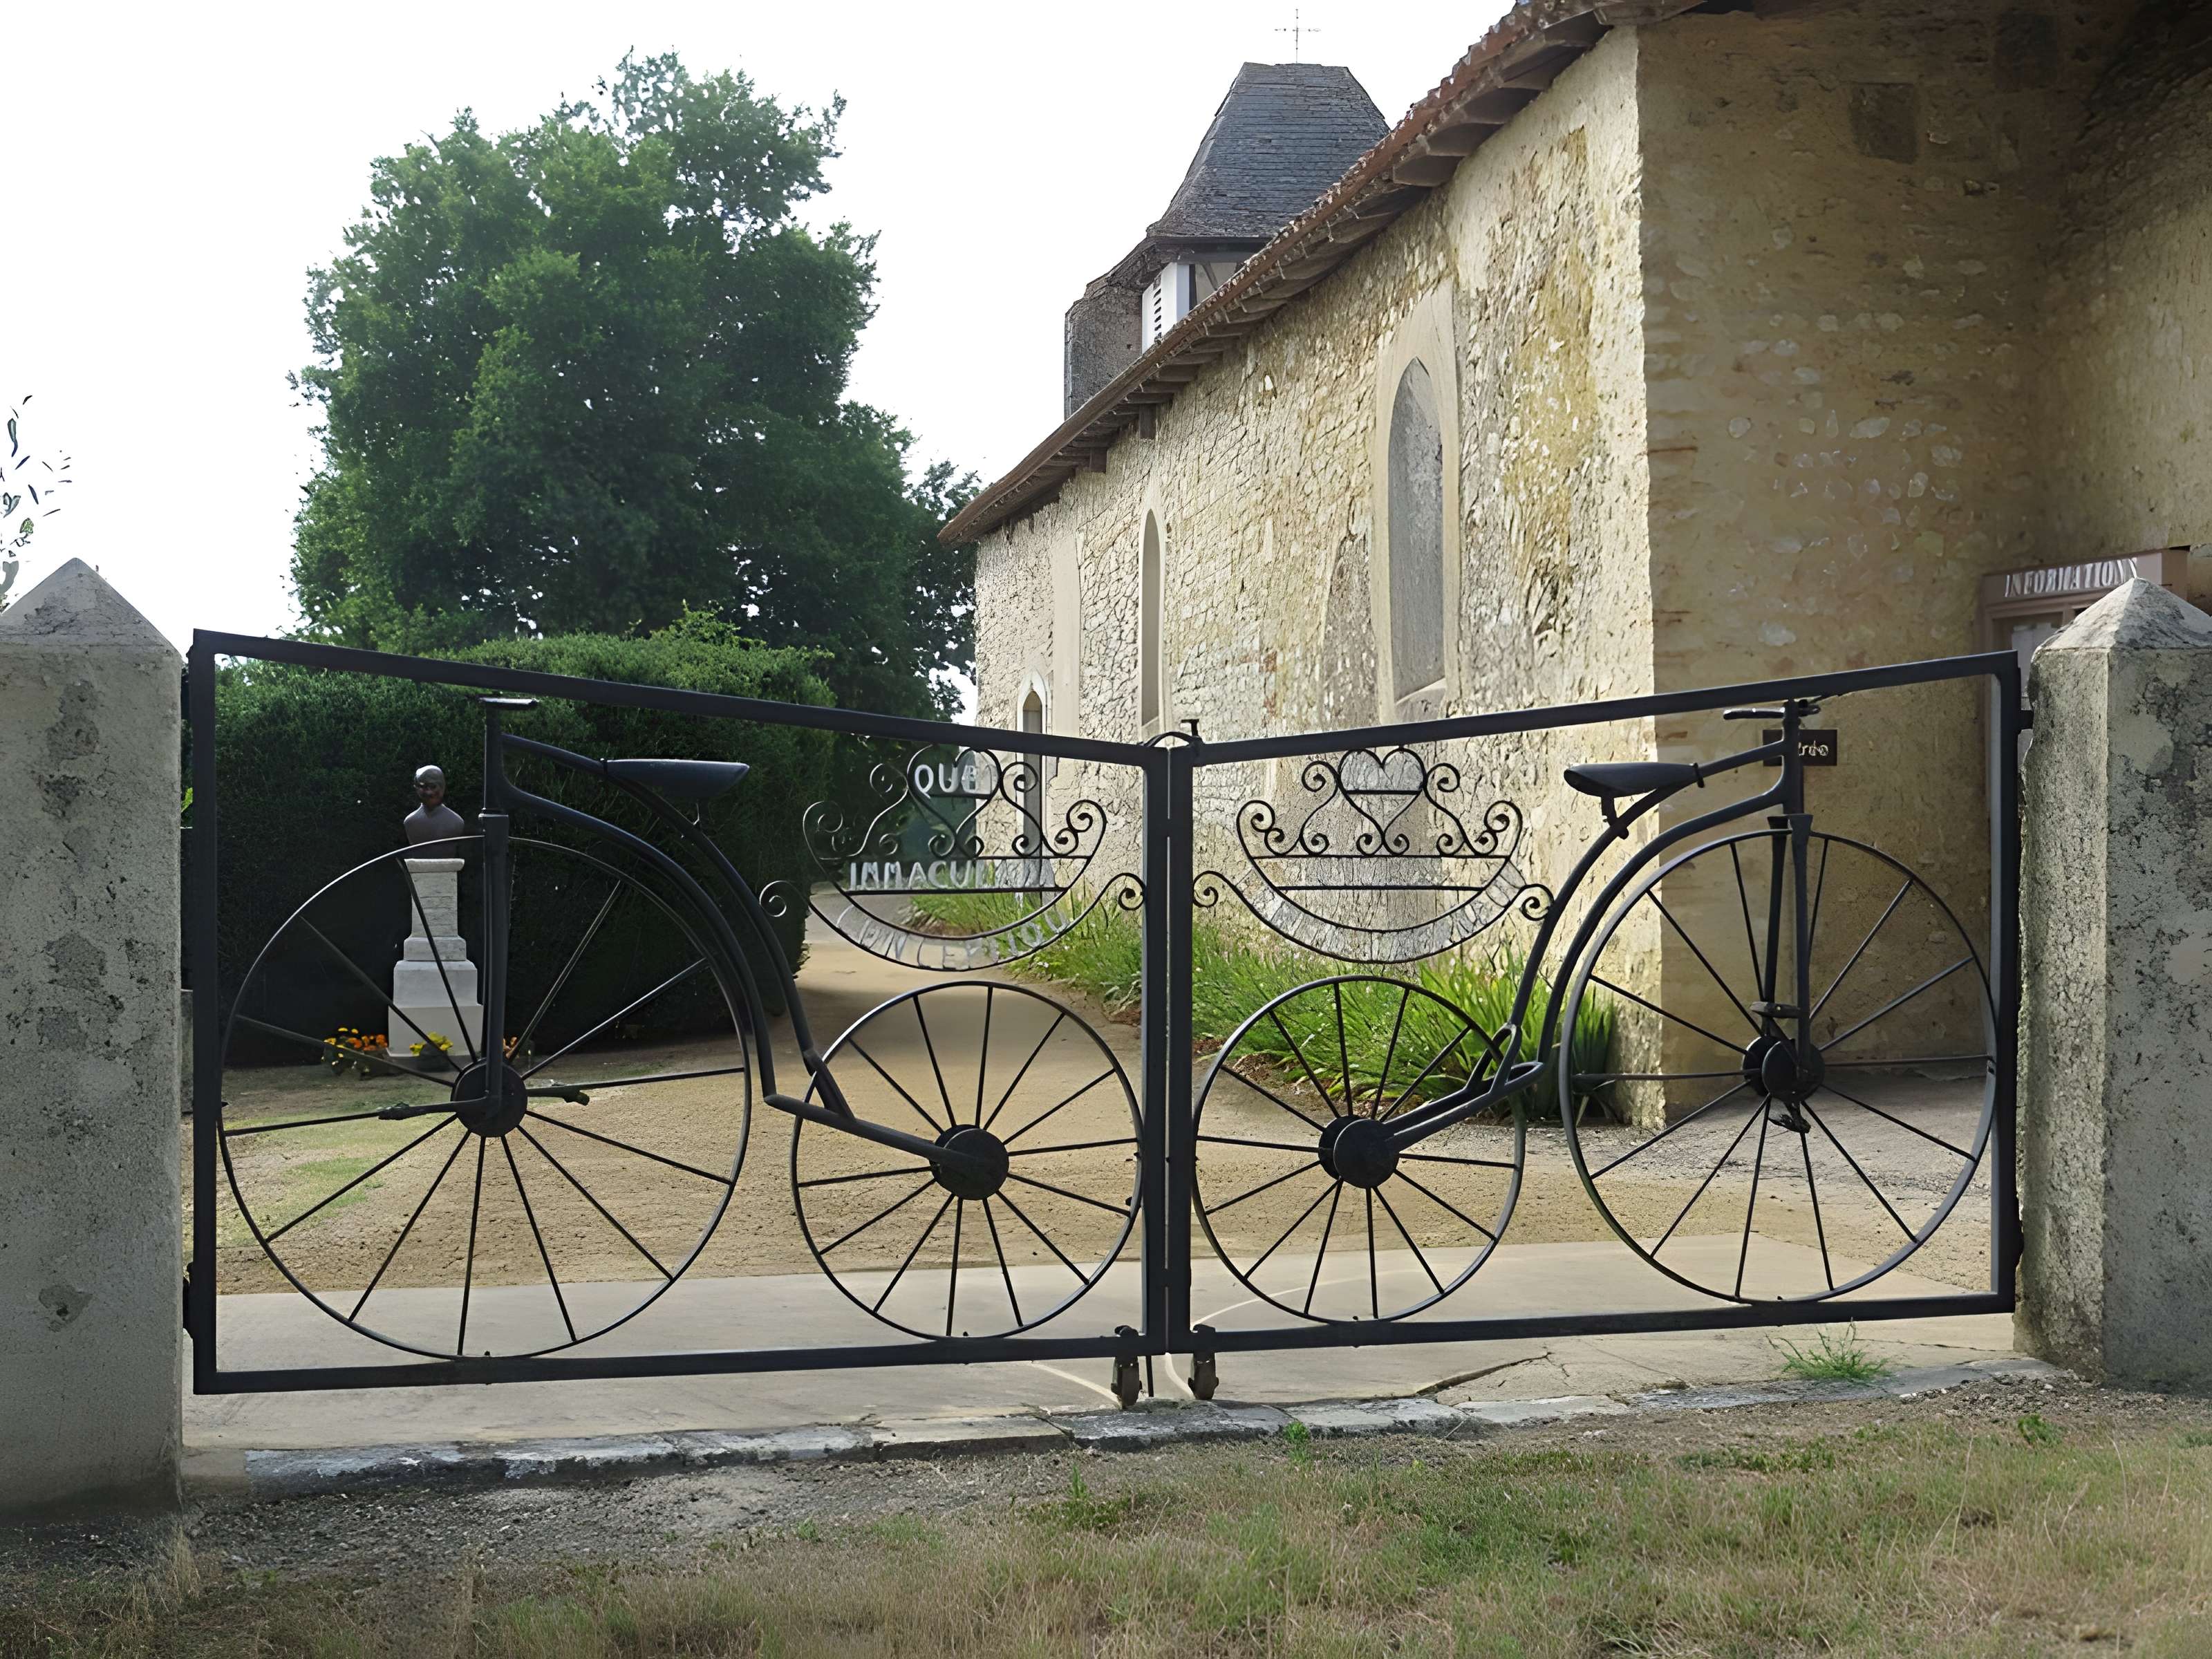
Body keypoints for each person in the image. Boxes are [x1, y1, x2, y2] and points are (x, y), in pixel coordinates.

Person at [403, 765, 467, 847]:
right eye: (423, 787)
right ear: (416, 788)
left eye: (433, 787)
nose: (429, 793)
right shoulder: (410, 822)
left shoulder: (457, 822)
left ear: (442, 787)